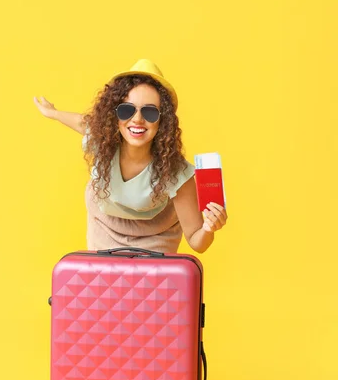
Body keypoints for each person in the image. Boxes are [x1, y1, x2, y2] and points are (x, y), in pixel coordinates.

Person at [34, 59, 227, 253]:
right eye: (127, 110)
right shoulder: (104, 142)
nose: (137, 119)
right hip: (104, 230)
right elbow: (82, 123)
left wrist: (209, 228)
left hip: (155, 240)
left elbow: (196, 241)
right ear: (113, 115)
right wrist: (53, 113)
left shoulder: (176, 171)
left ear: (163, 120)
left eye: (150, 112)